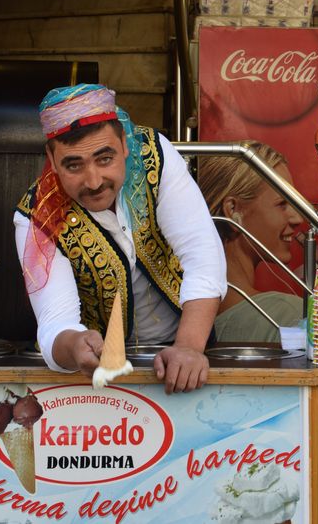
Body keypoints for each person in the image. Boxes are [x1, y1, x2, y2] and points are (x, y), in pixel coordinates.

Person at [14, 84, 227, 394]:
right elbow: (54, 323)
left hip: (184, 348)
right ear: (51, 158)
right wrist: (75, 345)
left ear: (125, 144)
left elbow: (203, 255)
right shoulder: (36, 216)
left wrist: (189, 348)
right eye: (74, 165)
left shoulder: (157, 157)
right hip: (95, 378)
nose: (94, 181)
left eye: (104, 159)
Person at [197, 141, 304, 344]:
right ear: (233, 211)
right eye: (282, 203)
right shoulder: (286, 314)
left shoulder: (179, 317)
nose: (297, 218)